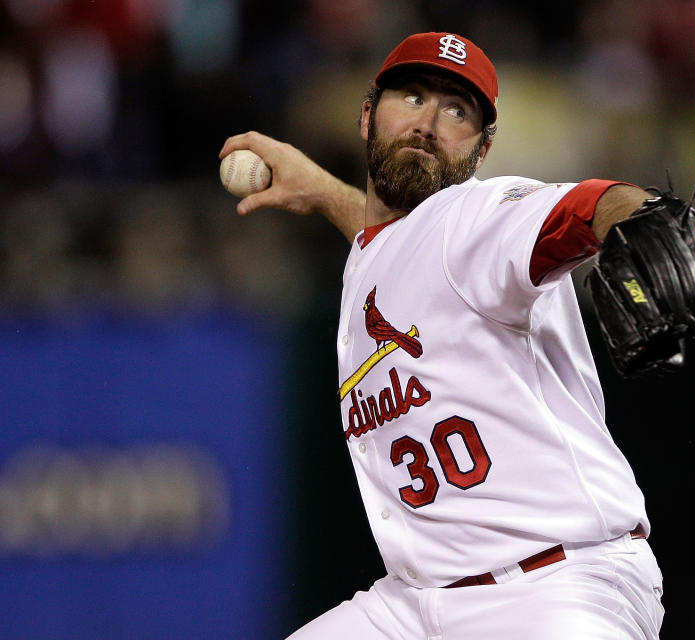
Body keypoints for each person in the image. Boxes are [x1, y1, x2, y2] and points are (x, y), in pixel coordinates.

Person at [221, 32, 665, 640]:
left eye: (458, 110)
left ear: (482, 152)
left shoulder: (479, 217)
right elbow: (395, 249)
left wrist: (640, 216)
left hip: (554, 588)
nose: (429, 122)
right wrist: (325, 192)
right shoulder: (384, 256)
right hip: (413, 603)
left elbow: (583, 207)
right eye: (411, 96)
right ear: (366, 115)